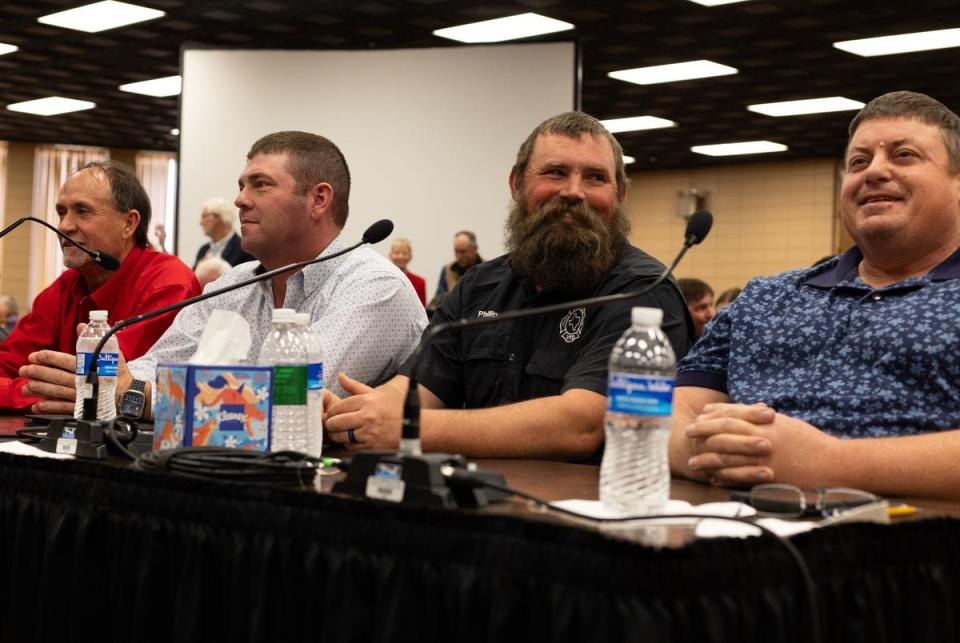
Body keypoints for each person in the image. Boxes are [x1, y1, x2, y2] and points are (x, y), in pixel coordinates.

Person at [325, 111, 693, 460]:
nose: (574, 191)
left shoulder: (643, 290)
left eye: (595, 177)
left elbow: (581, 426)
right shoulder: (481, 284)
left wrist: (409, 426)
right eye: (556, 172)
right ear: (517, 184)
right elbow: (419, 388)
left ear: (620, 195)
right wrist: (357, 413)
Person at [669, 90, 960, 499]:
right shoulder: (765, 298)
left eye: (904, 155)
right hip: (728, 523)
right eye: (858, 161)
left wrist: (829, 462)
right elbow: (671, 411)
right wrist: (702, 455)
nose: (873, 172)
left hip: (908, 541)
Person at [21, 132, 427, 416]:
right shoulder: (234, 284)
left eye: (260, 185)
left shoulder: (375, 286)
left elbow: (288, 401)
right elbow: (152, 369)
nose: (240, 199)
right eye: (241, 185)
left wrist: (133, 395)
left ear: (319, 199)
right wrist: (98, 383)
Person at [10, 161, 200, 412]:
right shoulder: (64, 287)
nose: (64, 225)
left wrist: (26, 390)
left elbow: (110, 387)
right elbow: (9, 364)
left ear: (129, 224)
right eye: (61, 212)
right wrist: (38, 390)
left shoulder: (169, 283)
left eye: (83, 211)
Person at [428, 230, 483, 312]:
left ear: (475, 249)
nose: (459, 256)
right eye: (456, 251)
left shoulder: (487, 269)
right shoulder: (447, 269)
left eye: (463, 252)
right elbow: (440, 298)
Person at [193, 197, 255, 269]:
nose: (201, 222)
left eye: (204, 216)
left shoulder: (244, 249)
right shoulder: (203, 250)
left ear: (217, 218)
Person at [388, 238, 426, 305]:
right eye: (397, 253)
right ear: (390, 255)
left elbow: (422, 310)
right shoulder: (384, 279)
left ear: (410, 256)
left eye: (405, 253)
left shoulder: (419, 282)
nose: (401, 256)